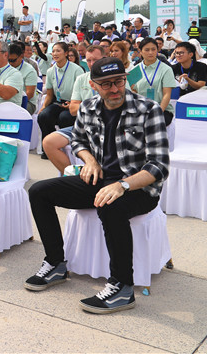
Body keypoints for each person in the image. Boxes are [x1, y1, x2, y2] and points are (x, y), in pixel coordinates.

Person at [25, 57, 169, 314]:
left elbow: (159, 166)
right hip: (99, 181)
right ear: (92, 85)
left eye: (119, 82)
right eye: (106, 84)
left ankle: (122, 287)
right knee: (38, 192)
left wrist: (122, 185)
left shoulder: (149, 109)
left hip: (139, 188)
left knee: (110, 206)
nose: (114, 89)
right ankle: (56, 264)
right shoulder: (88, 107)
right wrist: (89, 160)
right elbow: (78, 140)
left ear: (126, 79)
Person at [41, 45, 104, 172]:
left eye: (96, 60)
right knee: (48, 141)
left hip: (106, 125)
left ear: (104, 59)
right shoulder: (82, 79)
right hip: (84, 124)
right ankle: (72, 175)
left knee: (64, 117)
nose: (92, 64)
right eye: (89, 60)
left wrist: (84, 105)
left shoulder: (114, 78)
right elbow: (73, 109)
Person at [37, 42, 84, 141]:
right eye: (53, 51)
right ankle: (49, 144)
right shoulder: (50, 71)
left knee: (64, 118)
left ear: (66, 53)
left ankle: (67, 144)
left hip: (73, 103)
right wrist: (43, 106)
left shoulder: (77, 70)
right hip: (58, 102)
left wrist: (72, 104)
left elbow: (82, 93)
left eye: (58, 51)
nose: (55, 54)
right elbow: (49, 94)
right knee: (43, 116)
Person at [128, 37, 177, 125]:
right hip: (141, 109)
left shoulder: (166, 69)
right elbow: (133, 92)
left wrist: (158, 112)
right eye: (147, 50)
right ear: (140, 51)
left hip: (162, 109)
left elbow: (167, 94)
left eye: (153, 49)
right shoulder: (135, 70)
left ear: (157, 50)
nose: (150, 52)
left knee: (152, 122)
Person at [9, 42, 38, 114]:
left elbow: (29, 94)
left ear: (21, 56)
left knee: (12, 113)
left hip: (26, 102)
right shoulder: (5, 67)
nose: (10, 63)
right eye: (8, 60)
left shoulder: (30, 71)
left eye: (13, 60)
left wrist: (14, 102)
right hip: (8, 100)